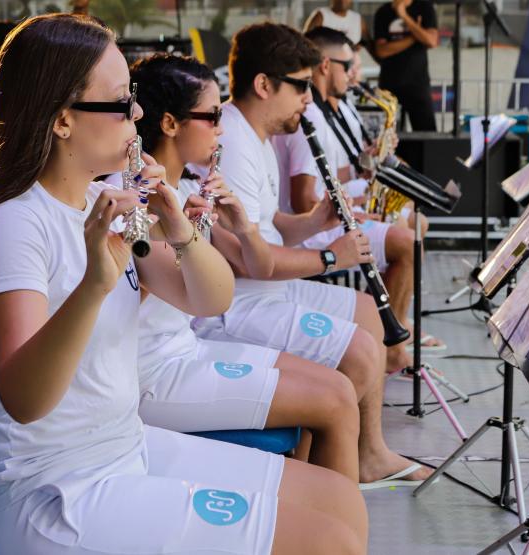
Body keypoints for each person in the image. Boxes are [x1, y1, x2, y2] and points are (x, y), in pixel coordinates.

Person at [0, 14, 367, 554]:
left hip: (123, 446)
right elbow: (26, 399)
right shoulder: (17, 222)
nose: (139, 113)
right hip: (56, 493)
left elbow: (209, 298)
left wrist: (182, 230)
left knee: (339, 501)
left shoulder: (101, 204)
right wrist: (94, 287)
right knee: (327, 541)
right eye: (124, 102)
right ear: (62, 121)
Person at [190, 21, 432, 487]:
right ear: (264, 85)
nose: (309, 97)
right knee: (362, 352)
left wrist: (316, 222)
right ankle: (323, 466)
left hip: (263, 286)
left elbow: (271, 223)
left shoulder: (254, 137)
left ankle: (365, 451)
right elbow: (245, 258)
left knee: (367, 313)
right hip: (236, 302)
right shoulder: (234, 142)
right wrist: (331, 257)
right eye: (301, 86)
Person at [129, 53, 361, 480]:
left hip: (185, 349)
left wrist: (242, 226)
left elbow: (254, 260)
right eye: (213, 116)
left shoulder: (182, 187)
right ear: (169, 124)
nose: (221, 128)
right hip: (154, 371)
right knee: (336, 402)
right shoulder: (140, 199)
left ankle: (313, 500)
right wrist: (186, 233)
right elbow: (204, 297)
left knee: (338, 386)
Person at [280, 26, 442, 362]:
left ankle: (393, 316)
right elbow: (303, 199)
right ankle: (393, 346)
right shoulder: (309, 116)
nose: (356, 74)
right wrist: (352, 207)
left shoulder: (335, 109)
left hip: (328, 212)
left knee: (415, 225)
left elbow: (338, 171)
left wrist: (370, 163)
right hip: (308, 227)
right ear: (325, 65)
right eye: (348, 65)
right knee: (405, 242)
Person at [373, 0, 439, 131]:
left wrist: (404, 15)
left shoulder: (425, 7)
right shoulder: (383, 12)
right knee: (388, 134)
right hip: (389, 85)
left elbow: (431, 41)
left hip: (418, 83)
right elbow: (382, 51)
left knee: (425, 133)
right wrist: (415, 37)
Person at [303, 0, 369, 50]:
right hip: (327, 62)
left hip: (354, 63)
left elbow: (367, 41)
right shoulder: (320, 15)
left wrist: (359, 46)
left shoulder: (357, 18)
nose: (342, 0)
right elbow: (305, 41)